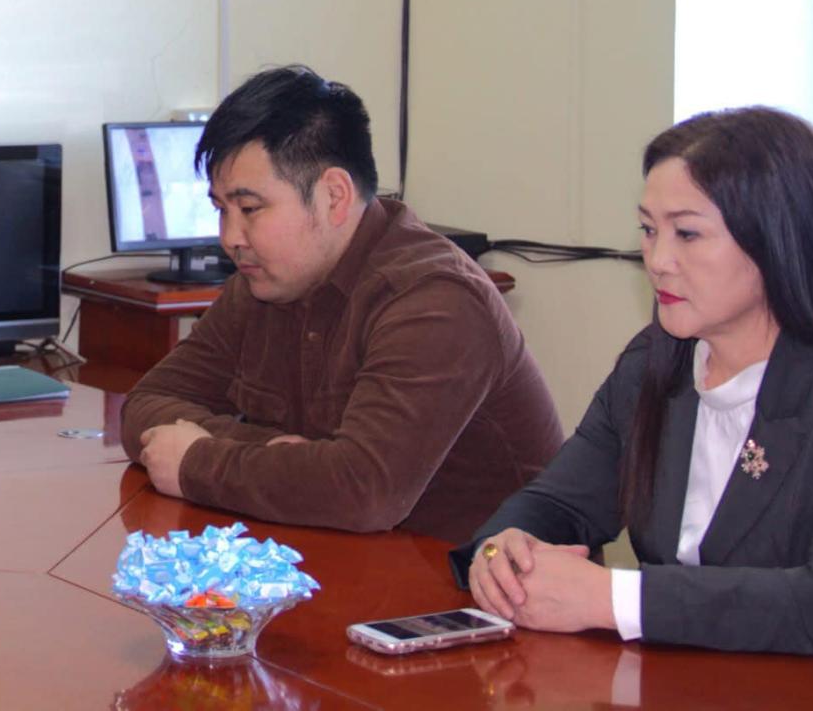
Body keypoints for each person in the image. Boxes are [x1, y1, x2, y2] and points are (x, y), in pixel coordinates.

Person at [457, 107, 813, 708]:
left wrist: (610, 598)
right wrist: (502, 552)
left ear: (776, 240)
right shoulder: (655, 364)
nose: (657, 259)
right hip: (714, 687)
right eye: (648, 230)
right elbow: (557, 503)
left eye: (687, 234)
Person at [119, 66, 564, 539]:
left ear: (334, 196)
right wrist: (274, 451)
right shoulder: (262, 285)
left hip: (472, 576)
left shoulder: (435, 300)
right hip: (337, 554)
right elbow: (143, 405)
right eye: (220, 210)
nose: (230, 238)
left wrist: (198, 460)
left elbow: (365, 491)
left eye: (249, 209)